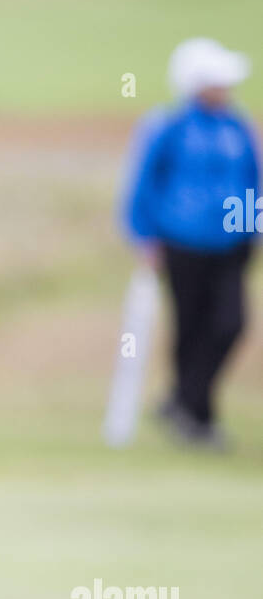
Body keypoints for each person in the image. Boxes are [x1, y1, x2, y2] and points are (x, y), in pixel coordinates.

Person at [123, 38, 259, 448]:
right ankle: (196, 416)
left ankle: (182, 401)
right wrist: (143, 235)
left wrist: (255, 227)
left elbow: (253, 181)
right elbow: (143, 183)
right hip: (182, 245)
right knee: (191, 327)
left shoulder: (238, 126)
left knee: (230, 324)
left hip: (233, 245)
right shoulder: (169, 126)